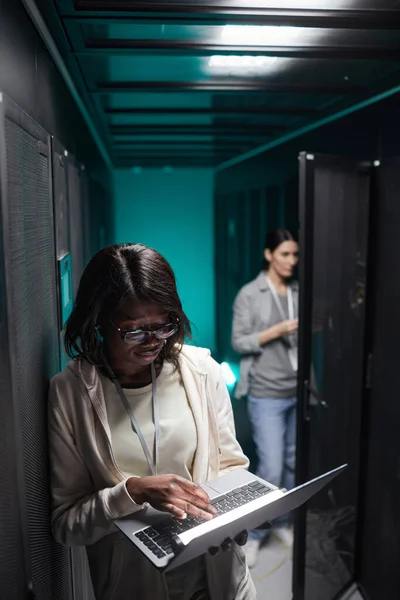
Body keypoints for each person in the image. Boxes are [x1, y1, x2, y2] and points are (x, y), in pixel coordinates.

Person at [48, 243, 256, 600]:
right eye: (134, 331)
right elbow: (67, 524)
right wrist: (133, 492)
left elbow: (231, 466)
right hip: (132, 586)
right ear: (98, 323)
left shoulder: (202, 372)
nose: (153, 342)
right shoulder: (70, 394)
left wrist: (238, 516)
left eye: (163, 326)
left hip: (221, 580)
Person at [231, 228, 299, 568]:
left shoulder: (299, 291)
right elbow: (239, 342)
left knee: (290, 464)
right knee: (270, 466)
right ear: (269, 254)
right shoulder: (249, 294)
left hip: (297, 390)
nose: (291, 261)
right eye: (285, 254)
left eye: (295, 255)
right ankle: (255, 534)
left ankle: (283, 522)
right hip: (265, 393)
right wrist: (278, 330)